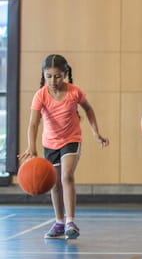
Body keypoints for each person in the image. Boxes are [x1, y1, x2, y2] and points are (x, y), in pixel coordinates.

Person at [18, 54, 109, 240]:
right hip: (50, 143)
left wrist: (95, 133)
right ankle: (59, 222)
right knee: (54, 183)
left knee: (66, 176)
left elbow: (88, 110)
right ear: (43, 75)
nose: (53, 80)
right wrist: (31, 147)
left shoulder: (74, 92)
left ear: (65, 74)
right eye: (49, 76)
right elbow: (33, 124)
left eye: (57, 76)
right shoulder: (40, 95)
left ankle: (70, 222)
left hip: (71, 139)